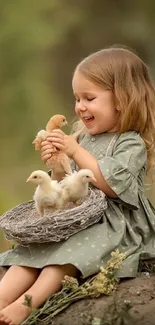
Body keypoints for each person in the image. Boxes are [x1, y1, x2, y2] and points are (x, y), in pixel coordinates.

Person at [0, 46, 155, 325]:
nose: (80, 106)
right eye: (77, 98)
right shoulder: (83, 139)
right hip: (77, 213)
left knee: (67, 253)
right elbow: (66, 186)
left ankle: (29, 304)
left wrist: (74, 151)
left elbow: (109, 185)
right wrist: (58, 167)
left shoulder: (130, 143)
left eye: (89, 98)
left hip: (111, 222)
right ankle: (2, 296)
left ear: (122, 99)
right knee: (33, 248)